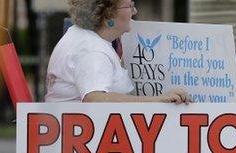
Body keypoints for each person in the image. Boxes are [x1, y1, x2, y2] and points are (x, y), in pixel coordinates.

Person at [45, 0, 191, 104]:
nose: (134, 11)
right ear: (109, 15)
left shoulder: (82, 37)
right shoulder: (93, 50)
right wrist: (157, 100)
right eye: (129, 5)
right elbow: (95, 99)